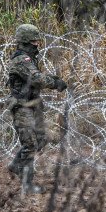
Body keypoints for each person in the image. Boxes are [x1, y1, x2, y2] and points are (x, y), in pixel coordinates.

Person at [7, 24, 67, 194]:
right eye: (34, 41)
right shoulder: (21, 60)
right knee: (31, 144)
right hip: (22, 106)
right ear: (25, 41)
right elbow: (36, 78)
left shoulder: (29, 57)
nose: (37, 44)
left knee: (41, 139)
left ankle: (16, 165)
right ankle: (27, 184)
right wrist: (55, 82)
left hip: (33, 104)